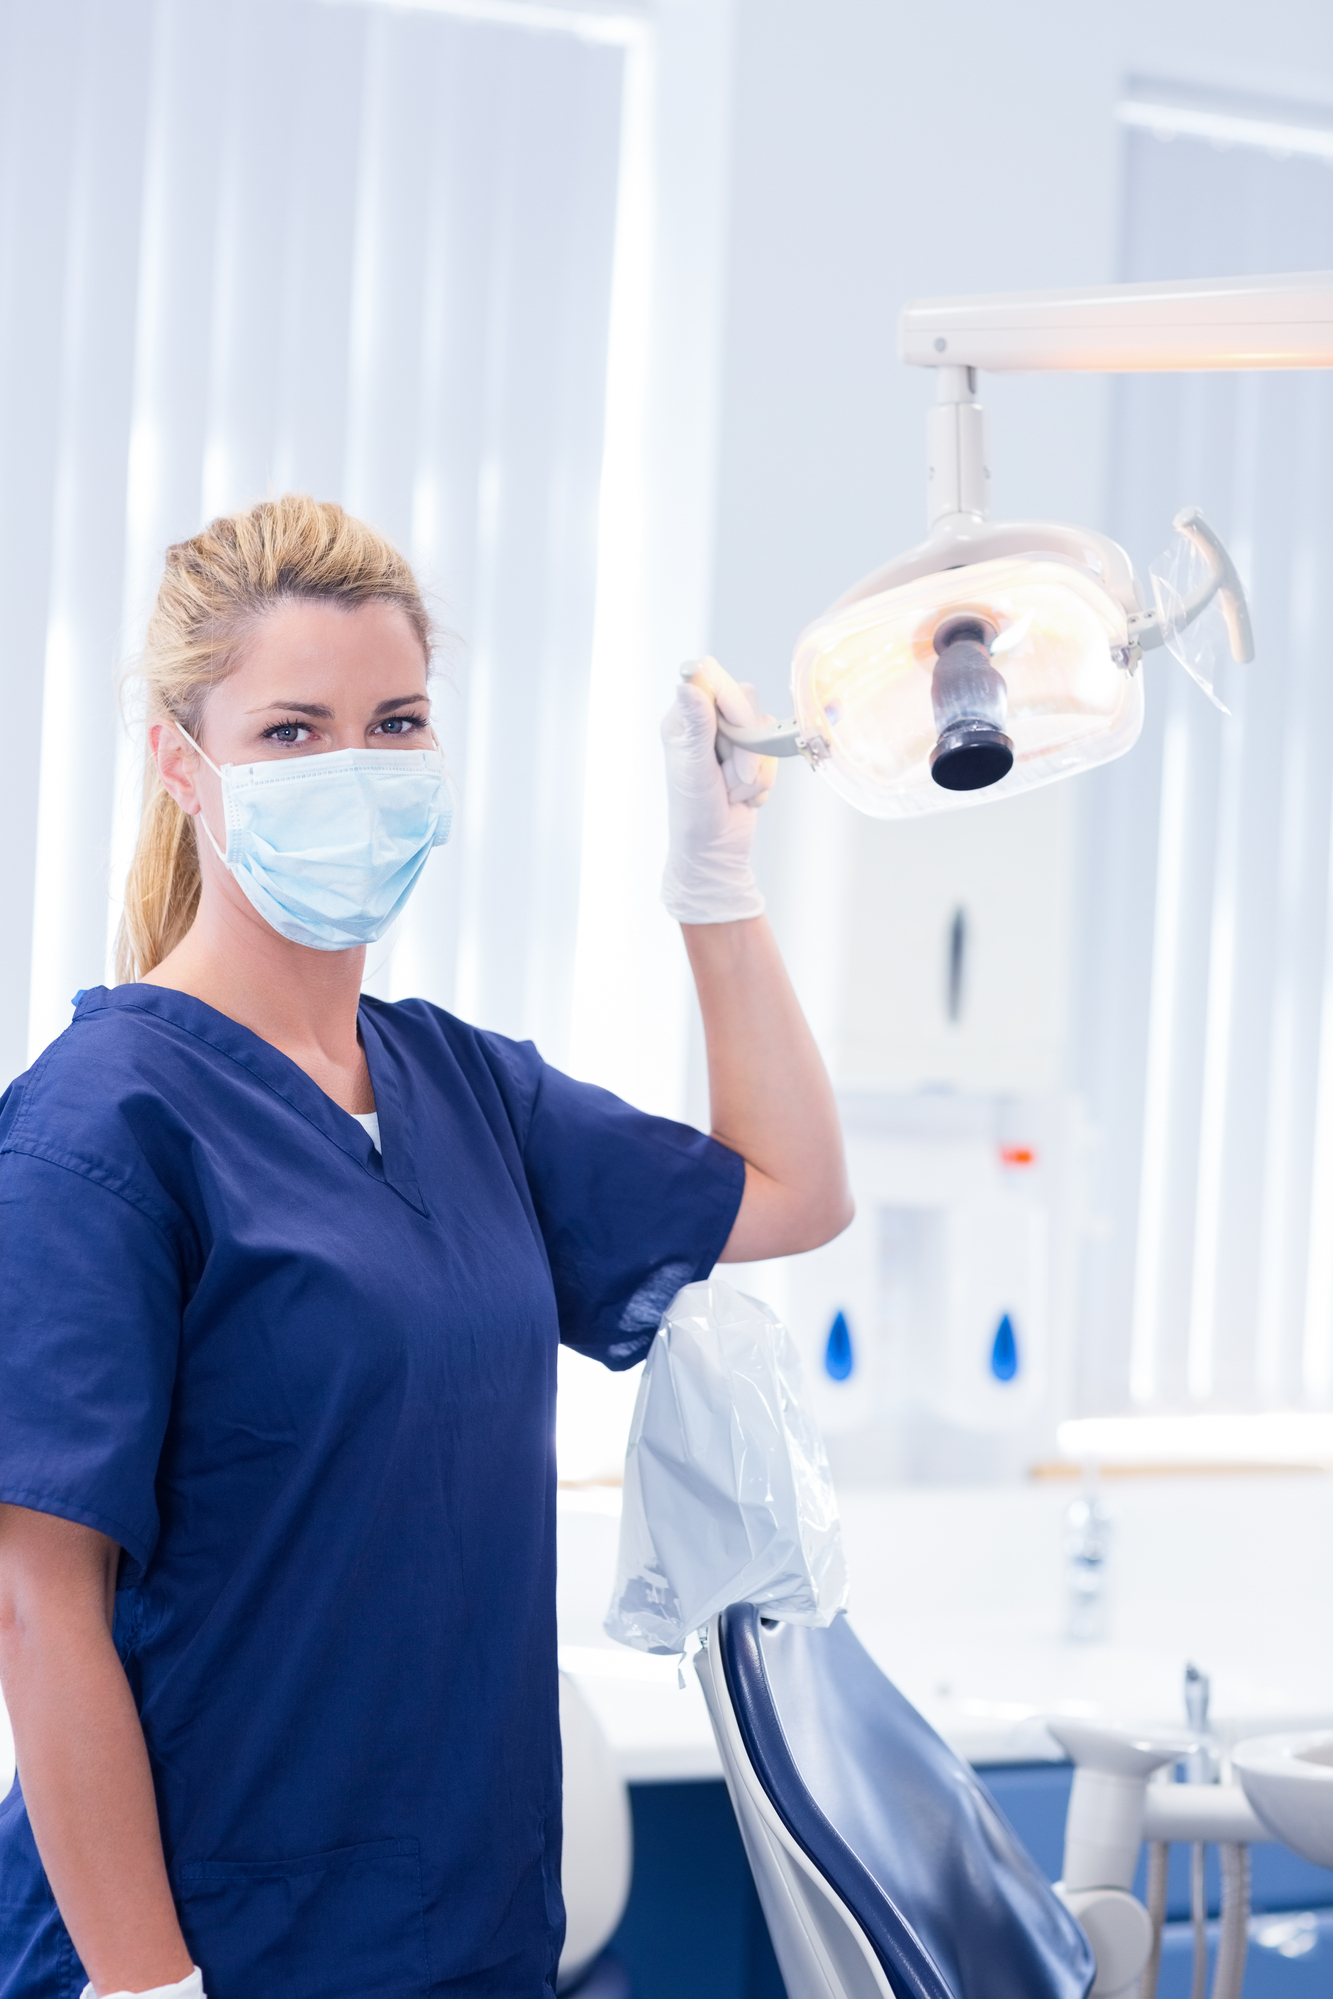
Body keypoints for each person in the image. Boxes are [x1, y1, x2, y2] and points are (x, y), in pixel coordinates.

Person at [0, 496, 851, 1999]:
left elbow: (790, 1191)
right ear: (180, 763)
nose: (357, 770)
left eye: (395, 723)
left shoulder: (463, 1088)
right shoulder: (99, 1127)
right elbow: (35, 1598)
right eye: (292, 732)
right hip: (217, 1947)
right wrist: (147, 1991)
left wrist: (713, 888)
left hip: (466, 1930)